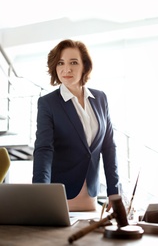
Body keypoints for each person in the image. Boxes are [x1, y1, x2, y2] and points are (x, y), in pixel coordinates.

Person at [32, 39, 119, 212]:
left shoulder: (100, 98)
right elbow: (44, 150)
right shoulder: (48, 103)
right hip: (61, 196)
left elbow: (109, 148)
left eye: (73, 62)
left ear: (85, 66)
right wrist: (40, 193)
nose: (67, 69)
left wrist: (114, 191)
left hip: (91, 196)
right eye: (60, 63)